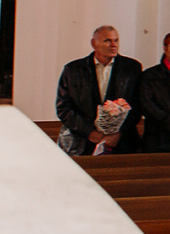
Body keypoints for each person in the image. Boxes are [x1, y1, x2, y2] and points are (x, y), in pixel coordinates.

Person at [55, 25, 144, 155]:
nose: (113, 45)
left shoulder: (131, 68)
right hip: (83, 143)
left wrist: (118, 133)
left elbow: (138, 105)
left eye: (116, 40)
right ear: (94, 43)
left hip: (122, 143)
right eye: (107, 41)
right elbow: (63, 108)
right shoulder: (73, 70)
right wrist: (89, 132)